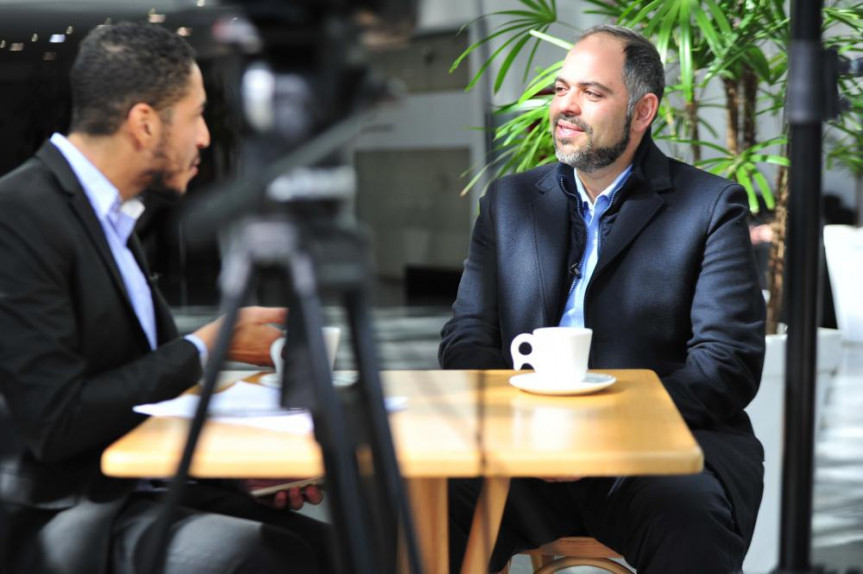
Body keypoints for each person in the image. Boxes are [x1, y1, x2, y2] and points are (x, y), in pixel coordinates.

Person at [0, 22, 331, 574]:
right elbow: (58, 422)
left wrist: (237, 469)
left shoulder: (111, 217)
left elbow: (131, 400)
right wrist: (208, 346)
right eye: (197, 114)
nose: (206, 136)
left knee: (335, 548)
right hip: (59, 516)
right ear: (145, 122)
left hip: (141, 489)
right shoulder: (17, 215)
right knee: (269, 559)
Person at [440, 25, 766, 574]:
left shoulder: (710, 207)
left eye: (592, 93)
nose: (566, 106)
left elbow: (726, 364)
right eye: (562, 88)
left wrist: (602, 434)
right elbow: (466, 336)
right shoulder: (510, 202)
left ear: (642, 112)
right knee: (424, 505)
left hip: (649, 455)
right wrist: (519, 430)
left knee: (691, 521)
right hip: (524, 456)